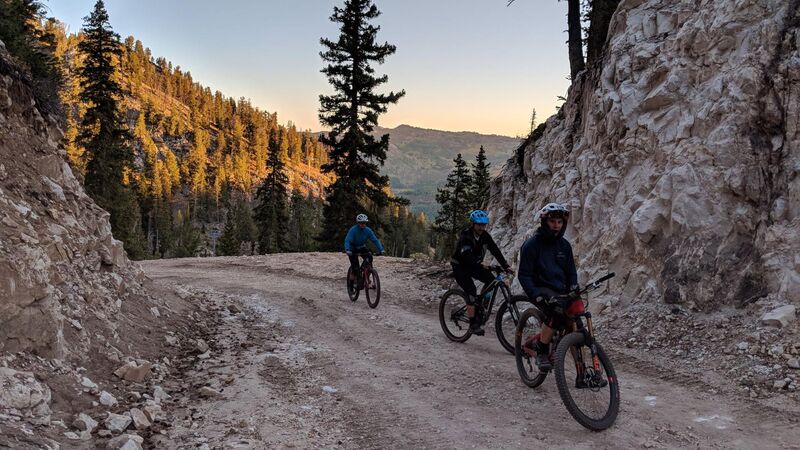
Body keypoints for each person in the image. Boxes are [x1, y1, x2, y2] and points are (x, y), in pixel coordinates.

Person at [518, 203, 578, 372]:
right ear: (545, 222)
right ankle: (542, 350)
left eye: (559, 222)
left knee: (576, 321)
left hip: (561, 290)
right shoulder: (531, 245)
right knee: (556, 310)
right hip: (540, 288)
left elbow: (571, 271)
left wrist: (574, 286)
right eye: (552, 221)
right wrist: (535, 293)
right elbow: (524, 275)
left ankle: (582, 371)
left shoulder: (565, 246)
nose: (556, 225)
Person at [450, 210, 513, 335]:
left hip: (475, 265)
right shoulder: (466, 236)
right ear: (473, 224)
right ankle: (473, 324)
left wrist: (506, 266)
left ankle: (480, 304)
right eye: (479, 225)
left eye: (484, 225)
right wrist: (480, 264)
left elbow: (495, 250)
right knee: (471, 291)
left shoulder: (485, 236)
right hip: (460, 266)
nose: (481, 227)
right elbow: (466, 255)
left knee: (491, 280)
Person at [344, 214, 385, 288]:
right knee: (355, 267)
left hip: (362, 247)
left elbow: (375, 240)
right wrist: (347, 249)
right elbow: (347, 240)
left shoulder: (368, 230)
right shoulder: (353, 230)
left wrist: (381, 249)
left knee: (369, 257)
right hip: (352, 248)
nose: (363, 224)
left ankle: (367, 273)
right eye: (361, 223)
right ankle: (352, 283)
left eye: (364, 223)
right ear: (358, 223)